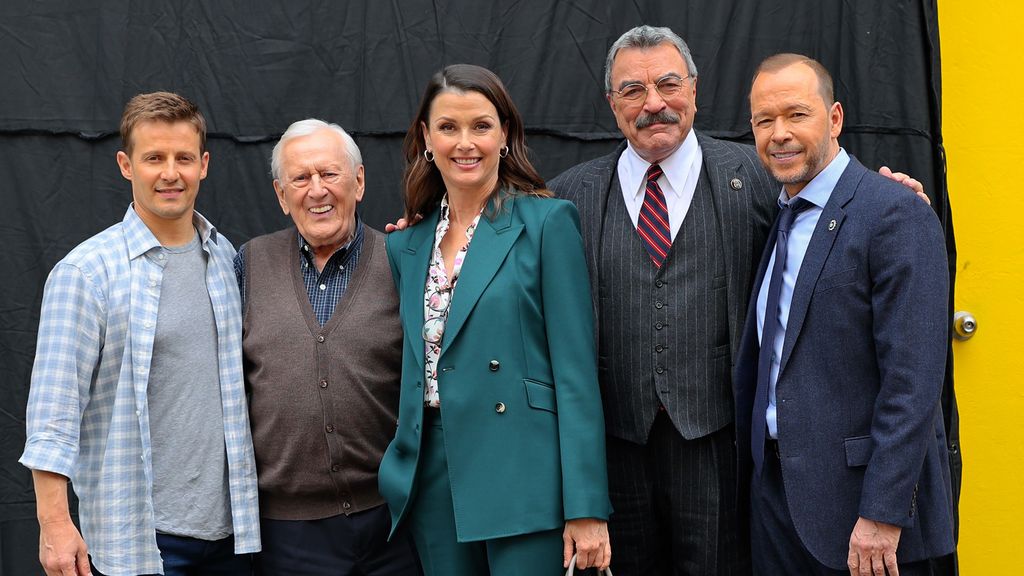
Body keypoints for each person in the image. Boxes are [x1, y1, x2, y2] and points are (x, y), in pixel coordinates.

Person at [546, 25, 931, 576]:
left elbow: (839, 215)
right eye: (633, 90)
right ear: (612, 104)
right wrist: (428, 230)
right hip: (614, 454)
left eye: (668, 84)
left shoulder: (758, 175)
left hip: (722, 452)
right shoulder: (568, 196)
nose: (653, 103)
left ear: (696, 92)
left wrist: (893, 195)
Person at [377, 64, 612, 576]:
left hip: (523, 469)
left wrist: (587, 506)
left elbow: (575, 376)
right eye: (448, 127)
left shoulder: (547, 222)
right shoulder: (405, 245)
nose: (465, 143)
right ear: (425, 137)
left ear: (504, 134)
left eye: (481, 126)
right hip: (433, 473)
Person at [20, 92, 260, 576]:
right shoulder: (87, 273)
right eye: (154, 158)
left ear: (204, 164)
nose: (170, 173)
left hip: (234, 535)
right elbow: (52, 416)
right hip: (141, 539)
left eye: (183, 158)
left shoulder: (225, 260)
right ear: (126, 165)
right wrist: (55, 525)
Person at [735, 53, 955, 575]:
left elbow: (914, 382)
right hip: (777, 501)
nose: (779, 134)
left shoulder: (894, 212)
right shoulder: (781, 215)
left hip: (862, 516)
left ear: (834, 119)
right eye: (765, 121)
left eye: (796, 115)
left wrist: (882, 512)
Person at [234, 119, 420, 575]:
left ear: (358, 182)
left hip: (394, 523)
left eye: (329, 174)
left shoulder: (403, 258)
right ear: (281, 195)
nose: (316, 190)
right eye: (301, 178)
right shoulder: (248, 265)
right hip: (288, 534)